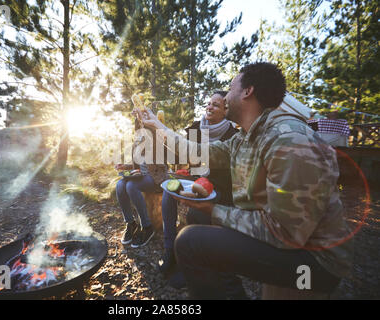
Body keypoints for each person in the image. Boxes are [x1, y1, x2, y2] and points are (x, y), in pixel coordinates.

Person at [138, 62, 353, 299]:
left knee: (190, 241)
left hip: (314, 262)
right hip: (290, 240)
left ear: (247, 91)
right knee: (199, 217)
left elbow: (287, 233)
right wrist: (157, 126)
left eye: (230, 88)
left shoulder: (288, 140)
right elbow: (195, 151)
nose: (226, 95)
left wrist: (215, 209)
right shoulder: (246, 138)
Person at [159, 91, 238, 287]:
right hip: (195, 179)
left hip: (220, 188)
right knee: (168, 192)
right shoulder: (195, 128)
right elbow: (179, 158)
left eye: (216, 105)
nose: (209, 107)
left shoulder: (234, 135)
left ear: (226, 111)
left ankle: (192, 265)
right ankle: (170, 250)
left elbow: (235, 175)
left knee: (196, 214)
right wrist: (163, 140)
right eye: (209, 103)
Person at [114, 120, 168, 248]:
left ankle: (147, 226)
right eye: (138, 128)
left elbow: (163, 165)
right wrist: (125, 166)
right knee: (120, 185)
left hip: (155, 178)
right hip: (140, 177)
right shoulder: (136, 144)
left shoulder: (157, 141)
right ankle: (130, 223)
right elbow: (136, 166)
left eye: (143, 127)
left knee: (131, 186)